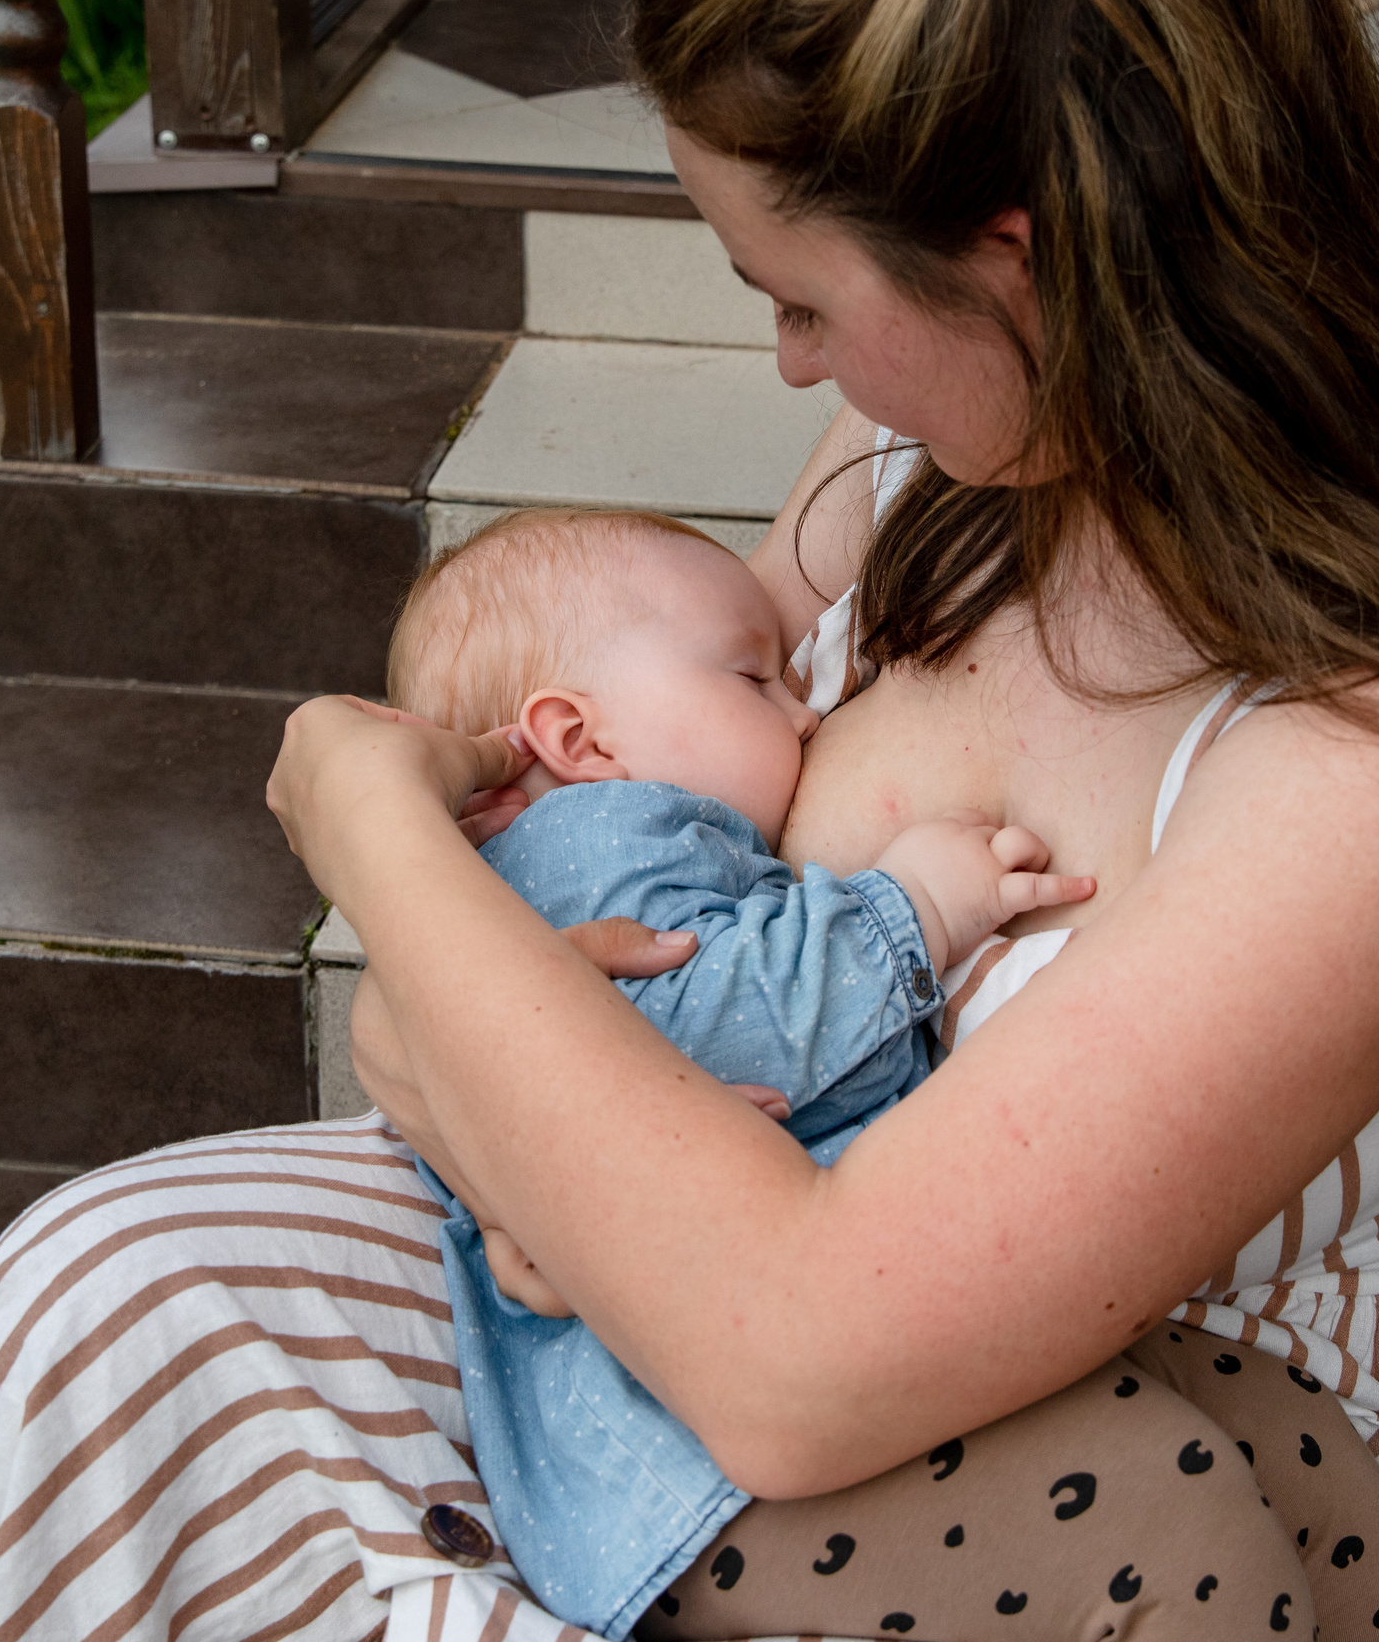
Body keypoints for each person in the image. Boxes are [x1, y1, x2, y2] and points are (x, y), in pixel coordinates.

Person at [0, 0, 1379, 1642]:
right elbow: (481, 988)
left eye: (800, 302)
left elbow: (793, 1350)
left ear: (1021, 263)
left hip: (1182, 1534)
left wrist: (366, 825)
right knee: (99, 1317)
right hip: (706, 1337)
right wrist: (508, 1097)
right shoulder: (926, 476)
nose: (795, 369)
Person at [385, 504, 1091, 1636]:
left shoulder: (595, 854)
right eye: (753, 679)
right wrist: (909, 911)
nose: (804, 711)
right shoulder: (596, 845)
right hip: (684, 1452)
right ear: (579, 741)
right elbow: (691, 1034)